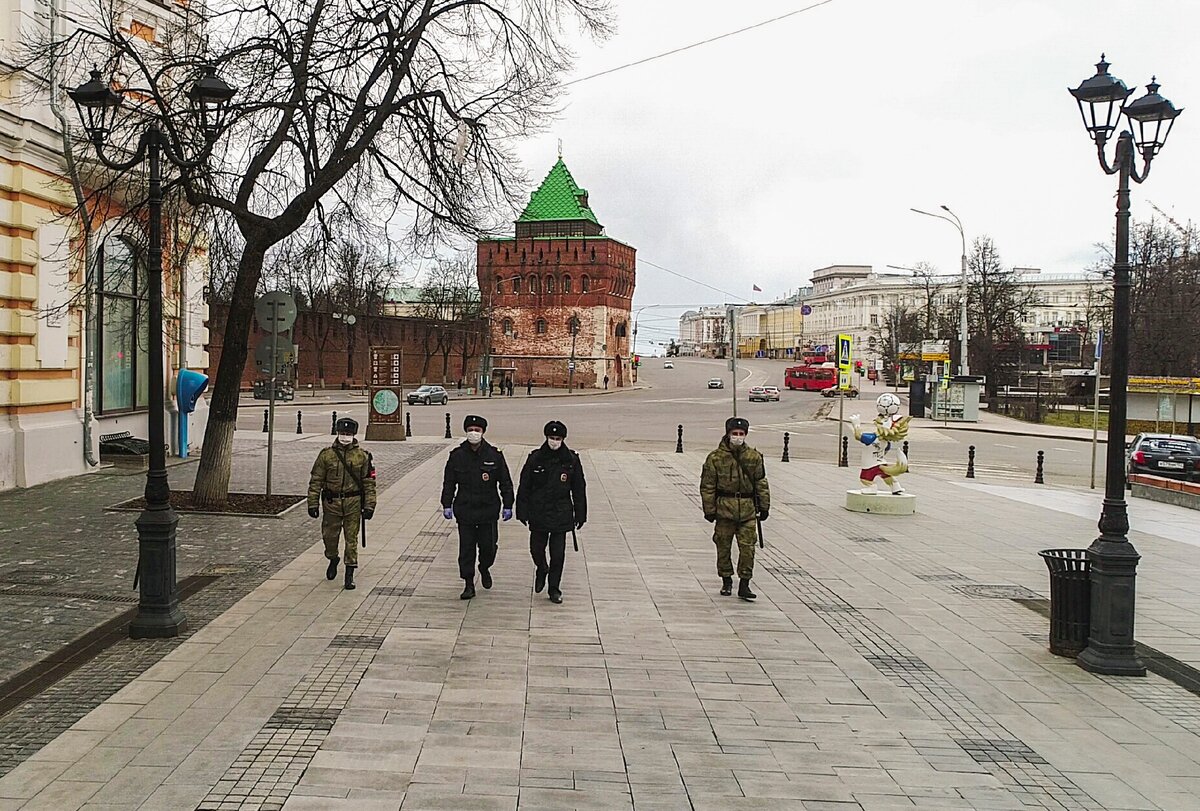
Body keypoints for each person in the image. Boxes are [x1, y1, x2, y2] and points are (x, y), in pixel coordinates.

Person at [441, 415, 514, 599]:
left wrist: (508, 504)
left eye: (478, 430)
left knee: (488, 547)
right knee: (466, 549)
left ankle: (485, 566)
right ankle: (468, 582)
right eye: (471, 429)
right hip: (465, 509)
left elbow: (505, 482)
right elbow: (449, 482)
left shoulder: (494, 455)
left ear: (483, 432)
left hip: (487, 510)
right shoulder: (457, 456)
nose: (474, 433)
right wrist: (446, 504)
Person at [516, 420, 587, 604]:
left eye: (558, 438)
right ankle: (541, 568)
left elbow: (579, 488)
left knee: (558, 554)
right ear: (546, 437)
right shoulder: (535, 458)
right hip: (538, 513)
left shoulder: (571, 460)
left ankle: (554, 588)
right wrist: (521, 510)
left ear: (563, 439)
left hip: (561, 514)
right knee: (536, 550)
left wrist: (581, 513)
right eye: (551, 438)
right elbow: (525, 485)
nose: (554, 441)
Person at [700, 417, 770, 601]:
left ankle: (745, 583)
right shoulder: (715, 458)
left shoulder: (754, 457)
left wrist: (764, 506)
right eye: (734, 434)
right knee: (723, 546)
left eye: (741, 434)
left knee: (748, 548)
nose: (738, 437)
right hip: (725, 510)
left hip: (747, 510)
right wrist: (709, 509)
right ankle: (726, 579)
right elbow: (707, 486)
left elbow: (761, 482)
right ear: (728, 434)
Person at [307, 417, 377, 590]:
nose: (345, 436)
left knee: (351, 539)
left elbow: (369, 482)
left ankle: (349, 573)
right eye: (342, 433)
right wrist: (312, 503)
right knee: (329, 537)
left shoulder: (362, 456)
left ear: (353, 435)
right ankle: (333, 558)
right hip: (332, 503)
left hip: (353, 502)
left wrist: (370, 505)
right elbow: (316, 480)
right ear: (337, 433)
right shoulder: (326, 455)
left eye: (348, 434)